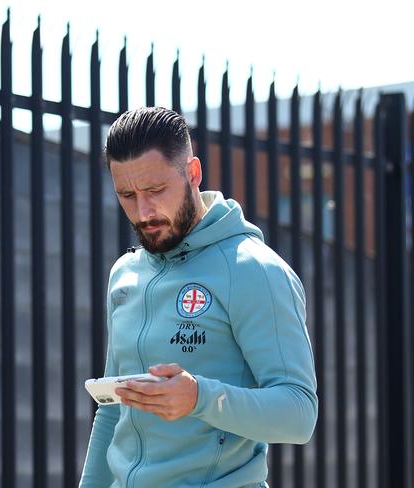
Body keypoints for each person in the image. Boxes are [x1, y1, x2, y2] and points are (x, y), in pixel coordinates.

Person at [79, 107, 317, 488]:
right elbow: (111, 411)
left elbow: (299, 414)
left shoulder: (253, 270)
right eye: (127, 194)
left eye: (155, 191)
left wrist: (198, 398)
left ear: (192, 173)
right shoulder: (126, 274)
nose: (143, 212)